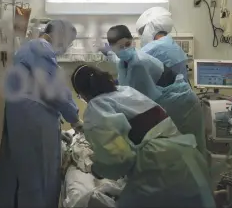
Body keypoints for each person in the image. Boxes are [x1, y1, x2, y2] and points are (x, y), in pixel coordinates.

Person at [71, 64, 215, 208]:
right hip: (187, 155)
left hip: (158, 165)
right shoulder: (126, 91)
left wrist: (96, 169)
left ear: (83, 94)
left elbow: (118, 159)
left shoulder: (96, 108)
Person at [0, 20, 83, 208]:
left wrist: (57, 132)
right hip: (32, 120)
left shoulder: (30, 48)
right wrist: (75, 119)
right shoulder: (40, 47)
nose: (67, 47)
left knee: (19, 170)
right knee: (38, 175)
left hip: (25, 117)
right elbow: (54, 89)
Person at [101, 25, 207, 155]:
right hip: (169, 102)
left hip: (182, 105)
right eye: (120, 47)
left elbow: (142, 103)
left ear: (133, 40)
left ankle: (201, 173)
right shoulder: (124, 60)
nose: (125, 49)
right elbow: (116, 58)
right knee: (180, 150)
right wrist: (106, 51)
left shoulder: (139, 63)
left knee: (191, 147)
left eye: (127, 44)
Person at [136, 7, 189, 81]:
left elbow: (133, 62)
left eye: (142, 33)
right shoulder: (171, 43)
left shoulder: (154, 48)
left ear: (149, 28)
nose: (142, 37)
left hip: (166, 92)